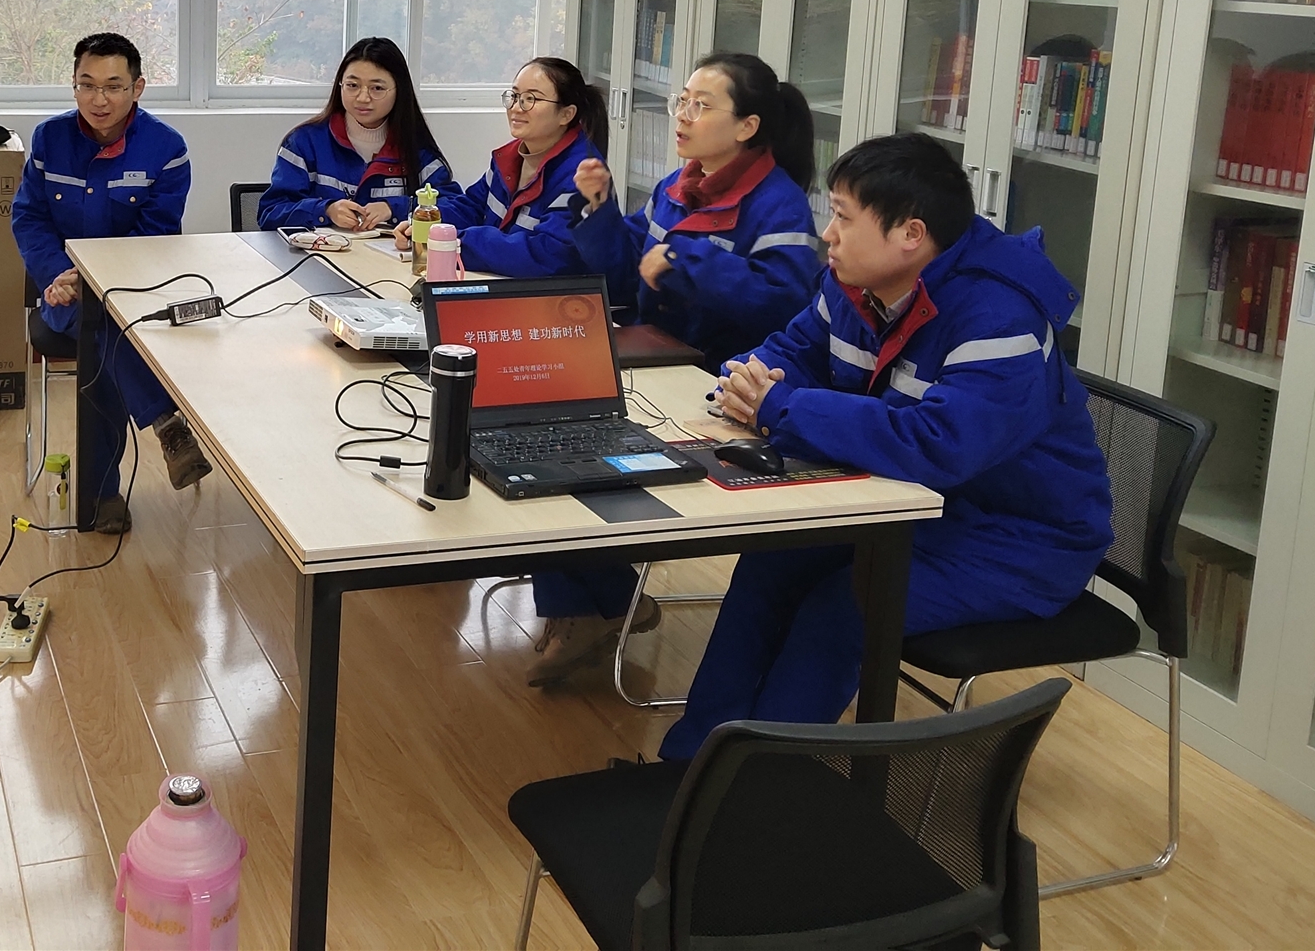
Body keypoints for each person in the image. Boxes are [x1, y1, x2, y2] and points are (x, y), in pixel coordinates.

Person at [656, 132, 1112, 760]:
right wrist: (742, 383)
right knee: (772, 562)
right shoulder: (858, 283)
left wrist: (782, 407)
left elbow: (938, 444)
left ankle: (761, 784)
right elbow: (794, 350)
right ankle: (691, 764)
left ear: (910, 235)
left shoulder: (999, 318)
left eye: (844, 217)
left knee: (844, 606)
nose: (828, 234)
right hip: (909, 510)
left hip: (1017, 539)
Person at [525, 52, 824, 685]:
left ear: (747, 126)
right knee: (541, 423)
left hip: (719, 384)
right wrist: (600, 209)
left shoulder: (780, 206)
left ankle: (593, 604)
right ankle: (598, 600)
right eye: (682, 100)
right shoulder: (677, 184)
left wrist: (687, 263)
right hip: (659, 359)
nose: (682, 115)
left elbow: (784, 301)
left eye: (701, 105)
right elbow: (628, 267)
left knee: (571, 438)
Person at [10, 32, 210, 535]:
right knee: (100, 330)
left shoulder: (166, 148)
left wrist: (100, 280)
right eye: (87, 84)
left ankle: (101, 496)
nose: (99, 99)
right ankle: (166, 424)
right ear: (74, 85)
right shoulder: (49, 139)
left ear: (137, 88)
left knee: (105, 332)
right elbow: (29, 218)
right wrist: (55, 274)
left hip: (133, 289)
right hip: (64, 292)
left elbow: (157, 232)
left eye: (114, 86)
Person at [391, 56, 607, 276]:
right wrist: (426, 225)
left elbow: (549, 255)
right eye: (514, 96)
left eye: (531, 99)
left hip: (553, 294)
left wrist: (453, 243)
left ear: (566, 114)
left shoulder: (583, 176)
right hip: (502, 283)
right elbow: (473, 206)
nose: (516, 108)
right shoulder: (508, 158)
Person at [258, 37, 460, 232]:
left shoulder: (417, 149)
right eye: (352, 86)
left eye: (377, 88)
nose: (363, 98)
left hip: (393, 255)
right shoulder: (304, 143)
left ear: (399, 90)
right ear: (340, 85)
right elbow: (270, 213)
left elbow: (457, 210)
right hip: (320, 254)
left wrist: (393, 208)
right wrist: (325, 211)